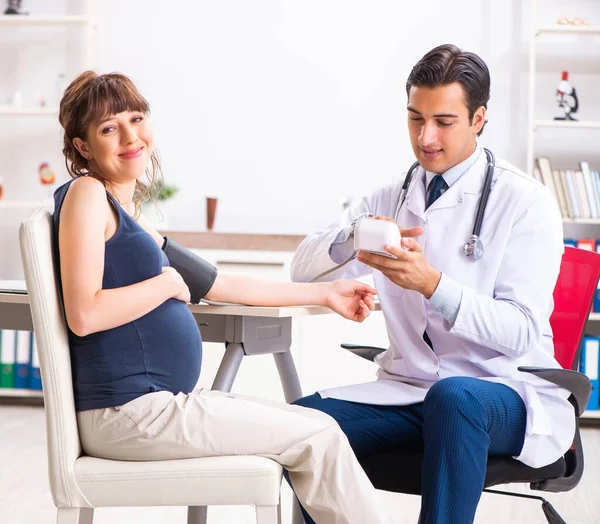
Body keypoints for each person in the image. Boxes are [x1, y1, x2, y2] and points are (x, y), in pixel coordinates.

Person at [54, 70, 394, 524]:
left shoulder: (128, 219)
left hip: (151, 408)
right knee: (319, 436)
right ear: (82, 146)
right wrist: (166, 285)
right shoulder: (86, 194)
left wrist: (325, 291)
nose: (130, 136)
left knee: (318, 430)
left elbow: (219, 284)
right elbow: (83, 314)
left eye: (136, 118)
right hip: (130, 414)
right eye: (108, 128)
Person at [290, 44, 574, 524]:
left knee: (455, 396)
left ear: (478, 118)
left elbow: (523, 331)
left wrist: (433, 285)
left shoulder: (526, 202)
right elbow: (301, 271)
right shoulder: (391, 195)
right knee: (294, 427)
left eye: (443, 121)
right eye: (414, 118)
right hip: (409, 389)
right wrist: (353, 237)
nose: (425, 137)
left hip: (505, 392)